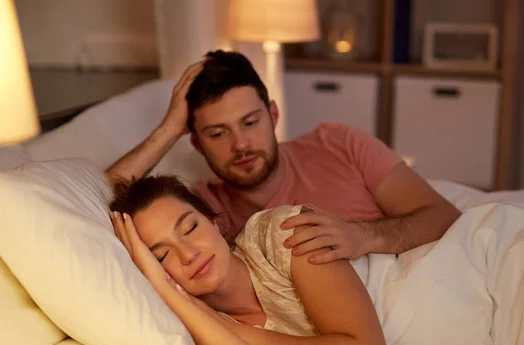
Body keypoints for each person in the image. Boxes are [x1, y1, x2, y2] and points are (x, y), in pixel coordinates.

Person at [106, 50, 461, 264]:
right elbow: (101, 194)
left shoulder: (339, 144)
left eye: (250, 122)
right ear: (196, 143)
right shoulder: (204, 214)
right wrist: (168, 129)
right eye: (217, 133)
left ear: (273, 115)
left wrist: (362, 237)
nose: (240, 144)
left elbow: (443, 215)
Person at [109, 175, 388, 345]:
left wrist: (242, 334)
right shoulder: (189, 322)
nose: (189, 254)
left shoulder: (284, 233)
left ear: (215, 222)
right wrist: (166, 289)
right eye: (161, 256)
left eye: (191, 228)